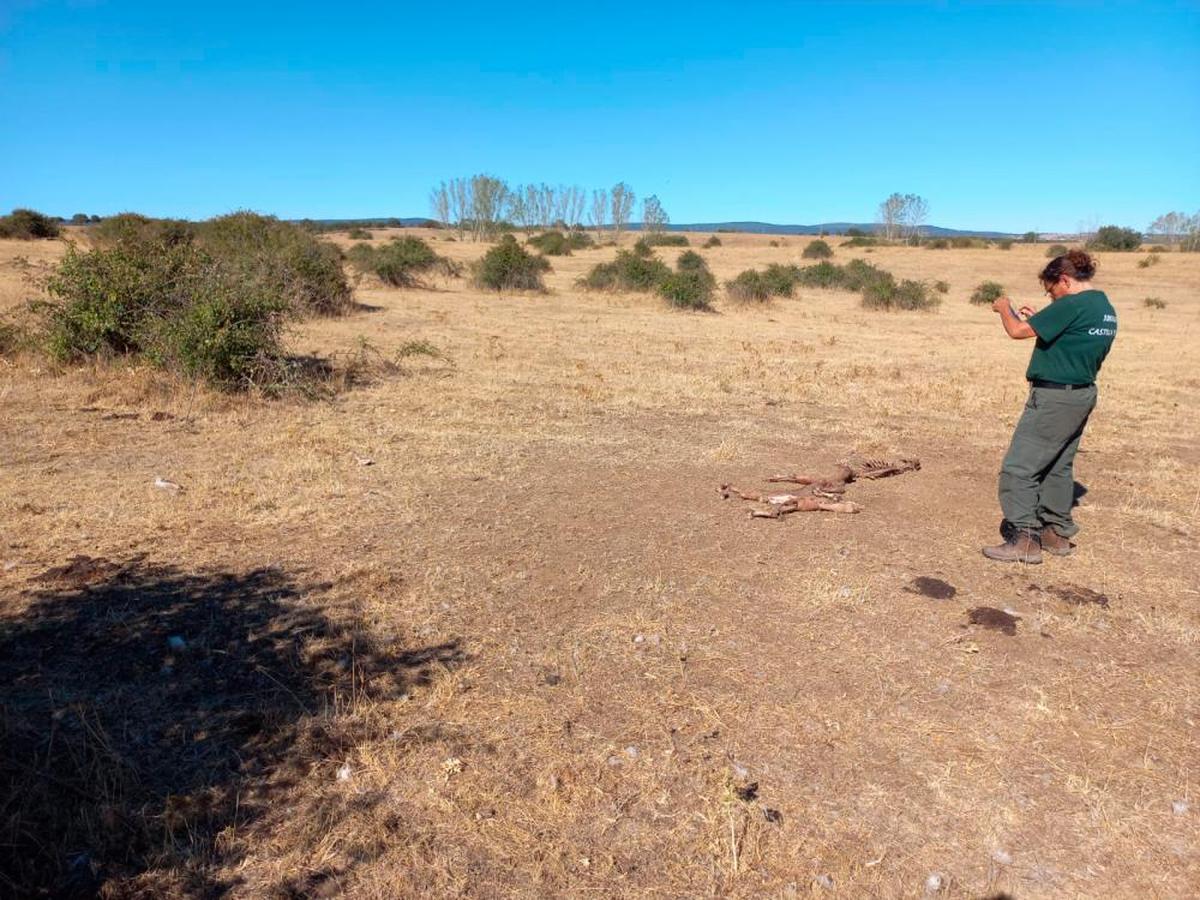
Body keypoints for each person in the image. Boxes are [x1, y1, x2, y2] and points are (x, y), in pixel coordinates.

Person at [983, 249, 1117, 563]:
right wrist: (1040, 319)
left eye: (1051, 289)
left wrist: (1004, 308)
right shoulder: (1102, 306)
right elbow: (1074, 339)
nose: (1051, 296)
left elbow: (1016, 331)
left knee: (1019, 467)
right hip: (1081, 393)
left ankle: (1025, 538)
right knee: (1058, 467)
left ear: (1065, 280)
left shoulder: (1070, 304)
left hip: (1054, 398)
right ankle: (1055, 534)